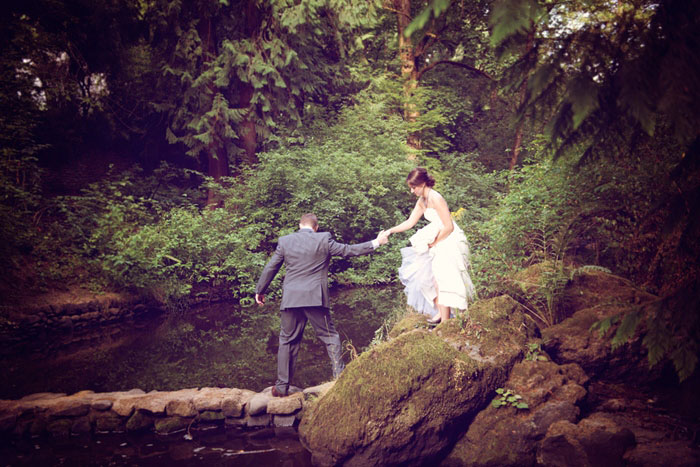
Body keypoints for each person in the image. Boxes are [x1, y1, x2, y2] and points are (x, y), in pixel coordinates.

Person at [255, 213, 388, 397]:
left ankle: (281, 387)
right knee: (330, 336)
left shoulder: (285, 241)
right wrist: (377, 242)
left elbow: (271, 267)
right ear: (316, 227)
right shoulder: (323, 239)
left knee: (287, 340)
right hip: (315, 298)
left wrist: (260, 290)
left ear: (300, 225)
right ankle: (339, 379)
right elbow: (348, 250)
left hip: (291, 299)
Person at [384, 167, 475, 324]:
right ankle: (442, 315)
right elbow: (410, 222)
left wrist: (434, 243)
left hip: (449, 238)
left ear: (424, 183)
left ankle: (453, 318)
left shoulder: (436, 198)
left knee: (445, 278)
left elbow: (449, 226)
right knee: (434, 279)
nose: (412, 191)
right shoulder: (422, 201)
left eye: (414, 187)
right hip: (438, 237)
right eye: (411, 188)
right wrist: (390, 231)